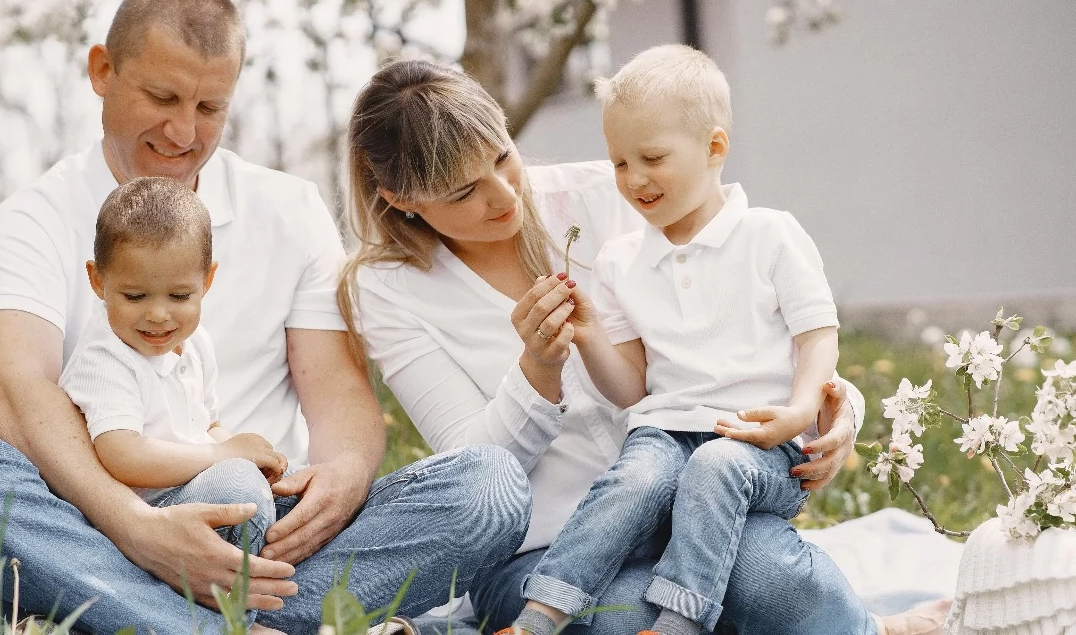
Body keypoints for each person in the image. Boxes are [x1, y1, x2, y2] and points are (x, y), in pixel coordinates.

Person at [0, 0, 530, 633]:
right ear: (102, 72)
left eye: (209, 108)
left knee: (489, 487)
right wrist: (142, 530)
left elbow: (337, 389)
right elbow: (11, 397)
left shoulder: (289, 208)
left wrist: (339, 480)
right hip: (101, 526)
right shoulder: (35, 217)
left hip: (271, 535)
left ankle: (133, 618)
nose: (183, 132)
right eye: (163, 99)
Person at [339, 58, 949, 635]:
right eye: (463, 191)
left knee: (770, 581)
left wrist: (833, 412)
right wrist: (536, 372)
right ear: (400, 200)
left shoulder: (610, 193)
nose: (502, 195)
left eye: (504, 157)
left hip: (694, 500)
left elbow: (757, 319)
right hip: (545, 549)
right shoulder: (389, 289)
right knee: (625, 618)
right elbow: (477, 479)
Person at [503, 44, 842, 635]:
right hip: (663, 432)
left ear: (714, 148)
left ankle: (678, 624)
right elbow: (629, 388)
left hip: (761, 441)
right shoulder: (618, 261)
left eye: (652, 158)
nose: (633, 180)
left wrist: (800, 411)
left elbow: (818, 334)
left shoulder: (770, 234)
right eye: (618, 163)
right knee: (632, 479)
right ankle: (540, 615)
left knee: (715, 464)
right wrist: (587, 336)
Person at [60, 177, 285, 580]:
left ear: (207, 281)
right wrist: (225, 456)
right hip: (141, 523)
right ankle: (237, 612)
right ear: (98, 281)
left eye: (180, 297)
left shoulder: (195, 344)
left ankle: (266, 587)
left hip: (191, 488)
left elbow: (206, 425)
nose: (159, 315)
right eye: (135, 296)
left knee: (288, 492)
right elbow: (122, 455)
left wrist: (243, 449)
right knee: (237, 487)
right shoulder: (105, 357)